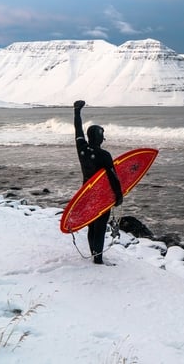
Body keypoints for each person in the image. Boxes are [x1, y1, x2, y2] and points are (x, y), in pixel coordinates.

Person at [73, 100, 123, 264]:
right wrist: (118, 196)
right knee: (100, 228)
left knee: (91, 225)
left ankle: (94, 254)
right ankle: (98, 259)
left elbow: (78, 129)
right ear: (99, 137)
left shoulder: (82, 149)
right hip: (101, 197)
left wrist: (77, 111)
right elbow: (113, 178)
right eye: (102, 135)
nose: (103, 138)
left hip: (86, 193)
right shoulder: (104, 155)